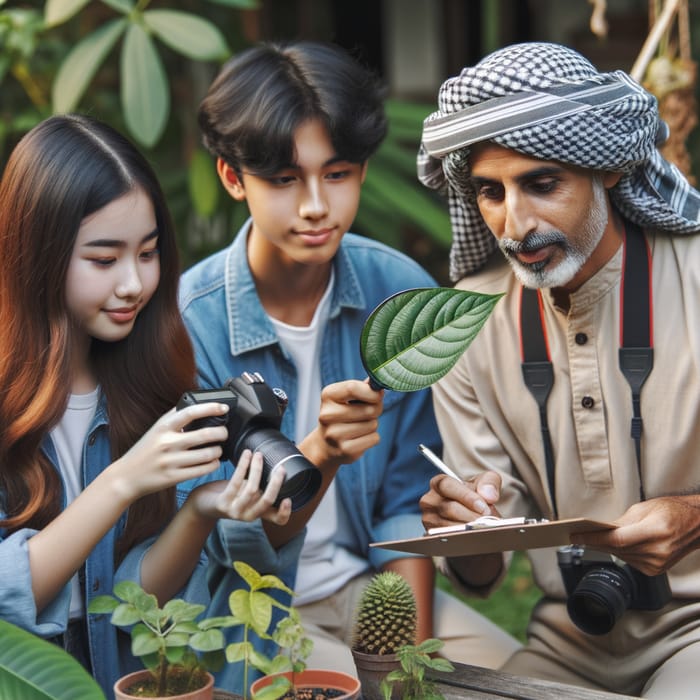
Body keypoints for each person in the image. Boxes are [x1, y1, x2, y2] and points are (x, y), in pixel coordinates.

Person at [179, 39, 520, 688]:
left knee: (518, 682)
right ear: (232, 176)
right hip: (249, 603)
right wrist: (321, 453)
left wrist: (408, 659)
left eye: (337, 174)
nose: (315, 206)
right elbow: (226, 540)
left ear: (362, 170)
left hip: (374, 587)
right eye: (284, 179)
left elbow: (404, 500)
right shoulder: (189, 322)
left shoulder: (394, 288)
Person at [417, 41, 700, 699]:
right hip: (570, 640)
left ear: (606, 169)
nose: (515, 225)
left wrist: (694, 514)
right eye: (490, 192)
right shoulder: (461, 326)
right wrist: (463, 527)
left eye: (542, 184)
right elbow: (484, 572)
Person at [0, 114, 293, 698]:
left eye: (149, 252)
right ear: (36, 254)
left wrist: (202, 509)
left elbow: (132, 607)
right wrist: (122, 481)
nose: (134, 283)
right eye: (104, 260)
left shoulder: (143, 384)